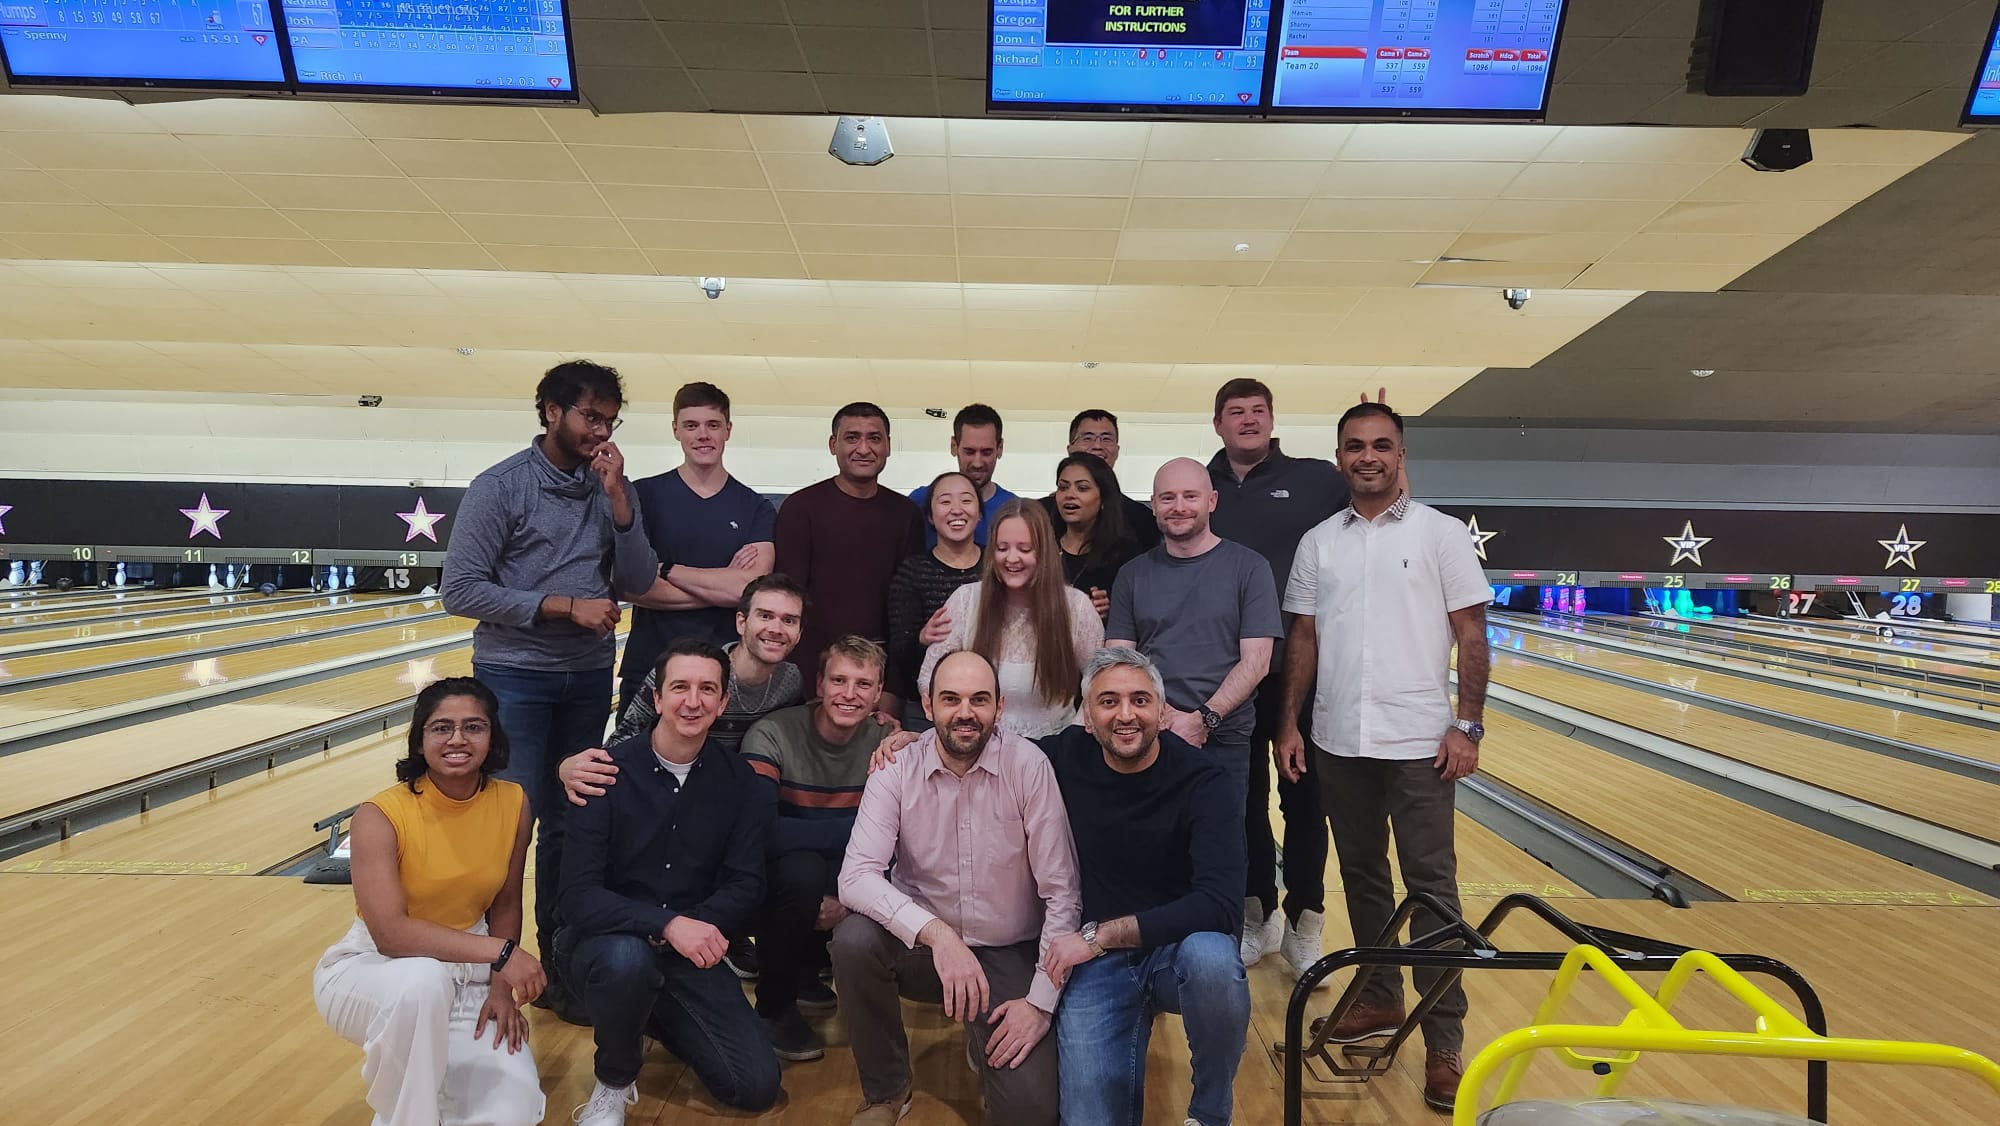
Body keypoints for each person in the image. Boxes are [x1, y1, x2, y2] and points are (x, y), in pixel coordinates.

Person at [1274, 401, 1492, 1112]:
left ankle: (1446, 1043)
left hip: (1421, 744)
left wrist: (1470, 726)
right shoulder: (1318, 542)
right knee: (1363, 875)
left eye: (1381, 445)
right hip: (1340, 737)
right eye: (1354, 446)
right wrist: (1290, 725)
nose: (1367, 456)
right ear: (1340, 457)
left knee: (1432, 889)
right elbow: (1302, 639)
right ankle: (1379, 993)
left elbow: (1472, 636)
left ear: (1401, 455)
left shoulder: (1442, 534)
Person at [441, 359, 658, 1018]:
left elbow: (641, 576)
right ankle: (493, 966)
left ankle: (558, 970)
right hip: (515, 676)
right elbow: (461, 589)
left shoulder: (609, 486)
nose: (601, 431)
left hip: (587, 677)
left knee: (571, 826)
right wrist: (563, 606)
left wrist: (621, 504)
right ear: (550, 411)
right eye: (591, 416)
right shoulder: (499, 487)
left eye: (610, 421)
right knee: (512, 822)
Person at [832, 651, 1080, 1126]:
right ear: (928, 705)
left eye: (979, 700)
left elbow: (1062, 894)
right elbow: (855, 876)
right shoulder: (896, 767)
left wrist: (1039, 1005)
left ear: (1000, 707)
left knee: (1029, 1115)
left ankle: (982, 1035)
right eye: (951, 699)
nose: (965, 712)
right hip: (926, 952)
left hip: (1008, 952)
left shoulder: (1028, 766)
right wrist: (939, 936)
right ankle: (886, 1089)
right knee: (854, 941)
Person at [558, 639, 781, 1124]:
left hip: (684, 953)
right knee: (627, 959)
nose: (693, 701)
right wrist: (668, 924)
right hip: (603, 946)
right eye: (680, 687)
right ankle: (614, 1081)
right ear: (657, 698)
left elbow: (746, 884)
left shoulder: (740, 781)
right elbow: (576, 897)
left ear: (724, 702)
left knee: (755, 1086)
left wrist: (688, 928)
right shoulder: (603, 772)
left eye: (708, 689)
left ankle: (646, 1008)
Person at [313, 677, 546, 1126]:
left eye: (474, 727)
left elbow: (505, 904)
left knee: (510, 1113)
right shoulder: (379, 815)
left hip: (469, 975)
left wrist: (500, 986)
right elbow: (391, 935)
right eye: (442, 728)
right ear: (420, 740)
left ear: (492, 736)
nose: (458, 739)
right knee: (421, 983)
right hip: (374, 974)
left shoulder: (513, 802)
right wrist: (501, 955)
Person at [1039, 648, 1249, 1126]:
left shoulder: (1204, 780)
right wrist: (913, 740)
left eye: (1140, 700)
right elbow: (986, 743)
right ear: (1087, 717)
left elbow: (1220, 907)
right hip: (1099, 966)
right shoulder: (1063, 754)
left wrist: (1100, 936)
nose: (1126, 714)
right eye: (1108, 702)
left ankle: (1210, 1114)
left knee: (1215, 960)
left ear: (1161, 709)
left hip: (1174, 952)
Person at [563, 572, 807, 982]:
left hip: (725, 795)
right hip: (663, 785)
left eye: (789, 620)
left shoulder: (790, 681)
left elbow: (796, 733)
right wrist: (569, 767)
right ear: (741, 622)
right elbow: (626, 740)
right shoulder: (692, 671)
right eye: (766, 615)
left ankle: (722, 937)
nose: (776, 628)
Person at [1205, 377, 1349, 975]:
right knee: (1242, 800)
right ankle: (1256, 912)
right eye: (1235, 413)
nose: (1247, 421)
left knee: (1305, 798)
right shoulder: (1202, 485)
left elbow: (1383, 505)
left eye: (1257, 411)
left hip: (1301, 667)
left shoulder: (1318, 479)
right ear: (1218, 424)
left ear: (1272, 419)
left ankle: (1306, 920)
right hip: (1231, 670)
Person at [1106, 457, 1282, 859]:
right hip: (1147, 736)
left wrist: (1203, 719)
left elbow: (1256, 661)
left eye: (1190, 496)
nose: (1179, 506)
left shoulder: (1249, 568)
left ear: (1212, 501)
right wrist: (1162, 715)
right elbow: (1119, 658)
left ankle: (1218, 926)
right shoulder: (1133, 575)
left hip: (1224, 743)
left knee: (1217, 856)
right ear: (1152, 505)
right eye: (1167, 497)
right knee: (1149, 854)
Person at [740, 636, 896, 1062]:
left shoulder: (887, 741)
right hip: (771, 876)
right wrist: (862, 832)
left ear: (879, 693)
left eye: (863, 684)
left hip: (844, 873)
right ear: (819, 684)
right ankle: (774, 1005)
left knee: (835, 864)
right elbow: (760, 832)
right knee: (802, 870)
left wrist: (850, 895)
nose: (850, 694)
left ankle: (807, 970)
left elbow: (902, 838)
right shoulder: (773, 733)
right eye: (839, 680)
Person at [617, 380, 776, 720]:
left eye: (712, 425)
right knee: (633, 772)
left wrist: (666, 569)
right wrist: (725, 587)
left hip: (725, 675)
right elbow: (633, 584)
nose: (702, 435)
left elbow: (752, 590)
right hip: (650, 667)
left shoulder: (756, 508)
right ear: (676, 430)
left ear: (728, 430)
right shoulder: (641, 497)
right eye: (691, 425)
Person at [774, 401, 925, 709]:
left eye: (874, 438)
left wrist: (891, 687)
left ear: (888, 446)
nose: (864, 448)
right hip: (812, 681)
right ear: (833, 444)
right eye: (852, 437)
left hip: (879, 680)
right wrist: (807, 683)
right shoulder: (801, 509)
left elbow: (906, 614)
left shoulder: (906, 514)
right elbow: (790, 603)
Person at [919, 500, 1101, 740]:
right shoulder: (965, 600)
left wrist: (1072, 740)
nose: (1011, 558)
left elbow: (1100, 685)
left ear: (1044, 552)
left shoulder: (1076, 607)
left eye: (1025, 549)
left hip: (1055, 748)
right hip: (977, 746)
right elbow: (928, 680)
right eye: (1002, 548)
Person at [884, 471, 984, 731]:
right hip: (926, 708)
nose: (956, 510)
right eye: (945, 502)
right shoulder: (912, 572)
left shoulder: (998, 567)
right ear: (930, 515)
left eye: (966, 500)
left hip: (990, 703)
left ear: (980, 512)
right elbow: (898, 653)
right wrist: (921, 640)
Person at [1042, 408, 1158, 552]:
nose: (1097, 446)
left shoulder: (1142, 519)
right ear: (1070, 448)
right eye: (1087, 438)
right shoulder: (1041, 514)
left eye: (1106, 439)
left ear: (1117, 449)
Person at [1050, 453, 1142, 621]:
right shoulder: (1041, 546)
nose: (1069, 495)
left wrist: (1111, 610)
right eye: (1063, 487)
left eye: (1082, 488)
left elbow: (1137, 614)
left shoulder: (1125, 555)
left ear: (1104, 497)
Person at [909, 403, 1017, 547]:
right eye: (969, 452)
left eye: (986, 452)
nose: (977, 463)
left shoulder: (1013, 508)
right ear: (954, 446)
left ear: (1000, 448)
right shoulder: (921, 501)